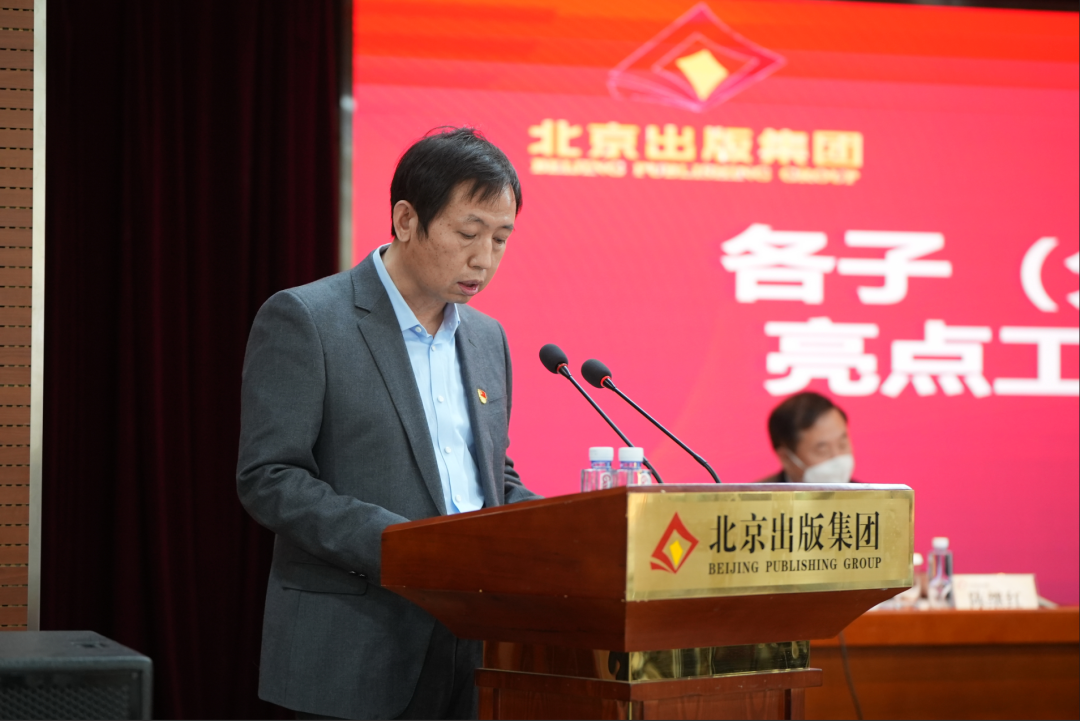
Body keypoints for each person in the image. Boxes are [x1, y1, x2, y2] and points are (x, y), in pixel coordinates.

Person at [236, 127, 539, 720]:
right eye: (468, 233)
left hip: (475, 649)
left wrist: (562, 531)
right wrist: (403, 550)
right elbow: (270, 477)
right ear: (406, 219)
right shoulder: (307, 318)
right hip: (354, 647)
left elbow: (490, 476)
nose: (484, 258)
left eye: (501, 238)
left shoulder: (487, 338)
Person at [758, 391, 857, 484]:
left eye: (842, 445)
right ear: (786, 458)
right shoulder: (758, 496)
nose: (837, 458)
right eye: (823, 450)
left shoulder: (864, 495)